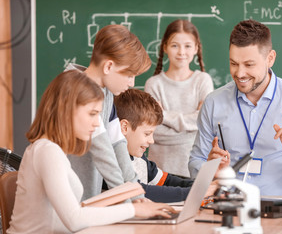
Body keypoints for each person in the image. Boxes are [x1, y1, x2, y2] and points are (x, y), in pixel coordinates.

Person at [7, 70, 175, 234]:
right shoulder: (47, 152)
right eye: (92, 114)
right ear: (68, 109)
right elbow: (74, 219)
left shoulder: (55, 151)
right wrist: (132, 209)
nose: (97, 124)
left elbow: (73, 212)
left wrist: (127, 201)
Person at [188, 19, 282, 197]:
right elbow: (196, 162)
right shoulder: (213, 102)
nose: (240, 73)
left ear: (270, 58)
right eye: (234, 63)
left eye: (249, 65)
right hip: (228, 211)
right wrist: (210, 170)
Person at [65, 24, 151, 200]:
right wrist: (128, 202)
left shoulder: (106, 93)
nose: (132, 83)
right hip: (67, 206)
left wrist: (137, 196)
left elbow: (118, 144)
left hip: (86, 203)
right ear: (108, 67)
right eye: (129, 75)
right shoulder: (78, 92)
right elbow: (104, 155)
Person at [144, 19, 214, 178]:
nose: (181, 52)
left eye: (188, 46)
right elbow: (154, 132)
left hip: (196, 170)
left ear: (196, 48)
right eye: (175, 45)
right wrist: (191, 132)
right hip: (159, 172)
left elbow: (205, 125)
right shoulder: (153, 84)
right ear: (165, 47)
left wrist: (165, 115)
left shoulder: (202, 80)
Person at [114, 89, 194, 203]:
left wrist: (200, 185)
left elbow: (167, 180)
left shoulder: (141, 160)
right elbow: (142, 191)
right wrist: (191, 193)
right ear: (124, 127)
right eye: (147, 134)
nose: (151, 141)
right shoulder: (112, 160)